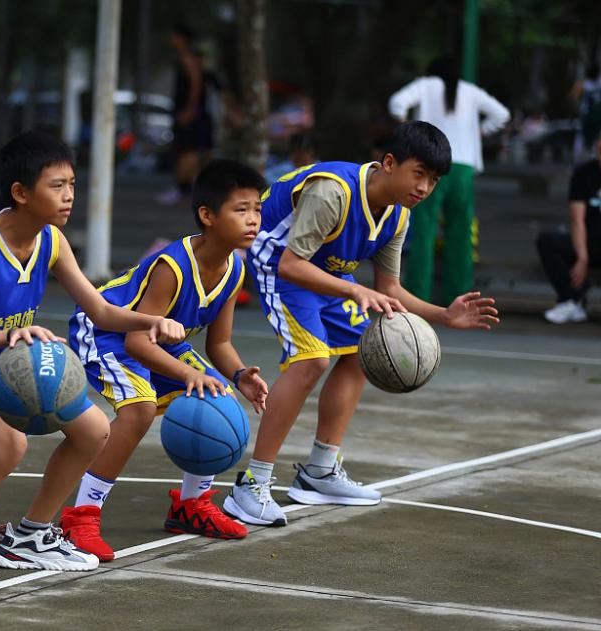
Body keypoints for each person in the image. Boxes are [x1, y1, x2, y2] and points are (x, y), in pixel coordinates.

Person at [0, 131, 186, 609]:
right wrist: (9, 336)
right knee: (8, 442)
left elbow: (101, 311)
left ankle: (29, 537)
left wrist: (150, 320)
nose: (69, 195)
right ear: (21, 193)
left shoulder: (51, 240)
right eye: (57, 185)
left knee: (91, 430)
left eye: (71, 183)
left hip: (7, 347)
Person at [226, 121, 499, 524]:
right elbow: (291, 266)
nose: (424, 188)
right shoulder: (334, 192)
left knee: (362, 350)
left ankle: (320, 471)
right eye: (418, 174)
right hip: (277, 260)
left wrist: (443, 315)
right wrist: (354, 291)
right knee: (312, 359)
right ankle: (252, 484)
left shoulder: (399, 216)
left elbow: (390, 288)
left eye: (434, 180)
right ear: (389, 163)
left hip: (323, 271)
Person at [58, 160, 271, 562]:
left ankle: (190, 506)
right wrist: (190, 373)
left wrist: (240, 376)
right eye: (240, 210)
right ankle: (80, 516)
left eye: (257, 209)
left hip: (155, 339)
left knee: (216, 395)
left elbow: (220, 343)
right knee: (138, 411)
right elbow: (137, 342)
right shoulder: (172, 267)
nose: (253, 219)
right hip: (107, 332)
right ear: (208, 216)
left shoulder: (234, 270)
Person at [388, 56, 510, 304]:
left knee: (423, 231)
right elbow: (502, 114)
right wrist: (480, 131)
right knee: (461, 233)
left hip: (430, 165)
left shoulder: (426, 85)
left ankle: (416, 295)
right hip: (463, 169)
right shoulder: (471, 91)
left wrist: (410, 131)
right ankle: (460, 296)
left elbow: (397, 103)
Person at [536, 136, 601, 323]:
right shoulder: (584, 174)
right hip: (588, 242)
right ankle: (571, 299)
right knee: (548, 241)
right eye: (598, 140)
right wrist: (582, 257)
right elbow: (577, 219)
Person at [157, 25, 214, 206]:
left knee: (188, 150)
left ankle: (183, 188)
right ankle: (184, 188)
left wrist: (190, 108)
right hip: (183, 111)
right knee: (184, 150)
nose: (171, 39)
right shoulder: (182, 58)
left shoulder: (189, 59)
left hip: (189, 112)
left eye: (175, 35)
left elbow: (196, 83)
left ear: (182, 39)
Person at [571, 63, 601, 163]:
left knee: (583, 139)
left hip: (587, 116)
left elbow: (573, 97)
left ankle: (582, 159)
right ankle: (594, 158)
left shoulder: (583, 84)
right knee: (595, 139)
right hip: (597, 116)